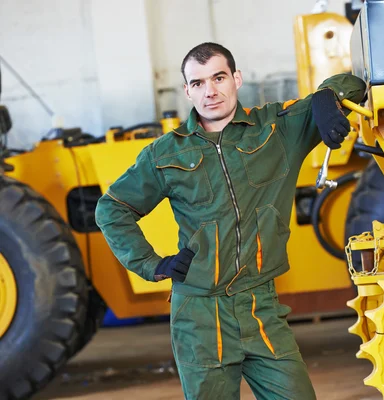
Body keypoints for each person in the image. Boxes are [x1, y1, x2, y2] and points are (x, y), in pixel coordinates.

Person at [95, 42, 366, 399]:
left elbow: (356, 84)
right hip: (200, 315)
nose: (211, 91)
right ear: (187, 91)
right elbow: (111, 209)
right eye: (198, 83)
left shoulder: (276, 130)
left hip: (260, 307)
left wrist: (326, 96)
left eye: (219, 77)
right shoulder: (166, 153)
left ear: (236, 79)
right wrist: (152, 264)